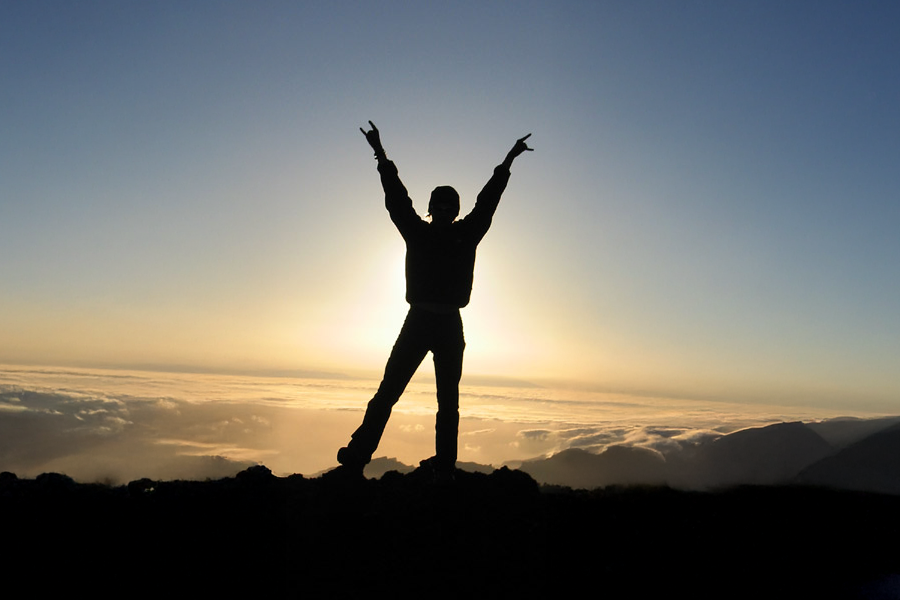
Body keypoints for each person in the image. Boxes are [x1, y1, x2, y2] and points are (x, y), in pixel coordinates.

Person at [334, 121, 532, 479]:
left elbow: (488, 202)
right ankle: (357, 457)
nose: (442, 213)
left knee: (447, 403)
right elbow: (396, 198)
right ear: (431, 210)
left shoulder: (466, 233)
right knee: (388, 392)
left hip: (447, 325)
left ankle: (443, 466)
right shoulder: (419, 232)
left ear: (454, 210)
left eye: (447, 208)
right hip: (418, 322)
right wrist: (380, 154)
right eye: (438, 208)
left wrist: (508, 161)